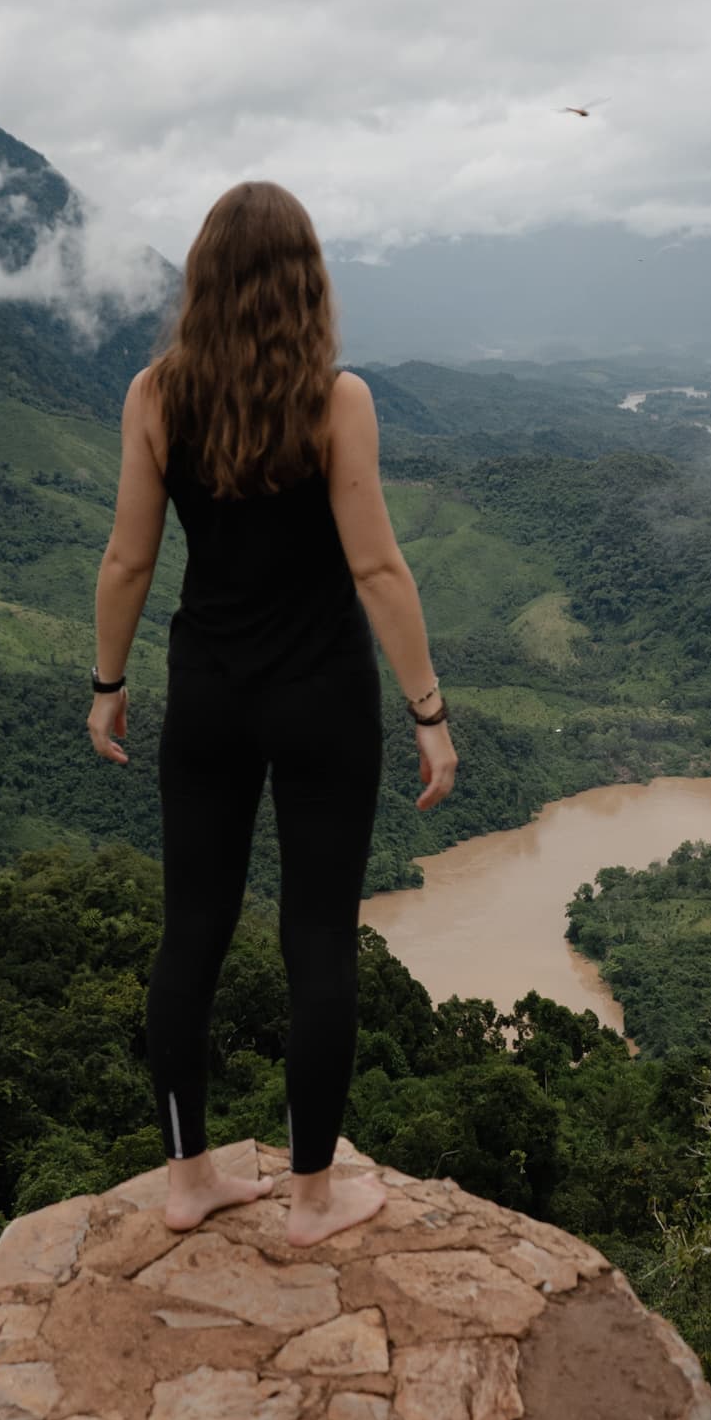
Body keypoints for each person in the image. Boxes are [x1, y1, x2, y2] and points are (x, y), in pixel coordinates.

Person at [87, 179, 457, 1248]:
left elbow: (129, 557)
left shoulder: (155, 394)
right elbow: (378, 565)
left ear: (201, 280)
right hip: (323, 699)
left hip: (207, 693)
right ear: (307, 284)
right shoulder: (336, 399)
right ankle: (308, 1197)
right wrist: (428, 710)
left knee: (190, 930)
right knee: (317, 944)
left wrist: (108, 685)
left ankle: (189, 1174)